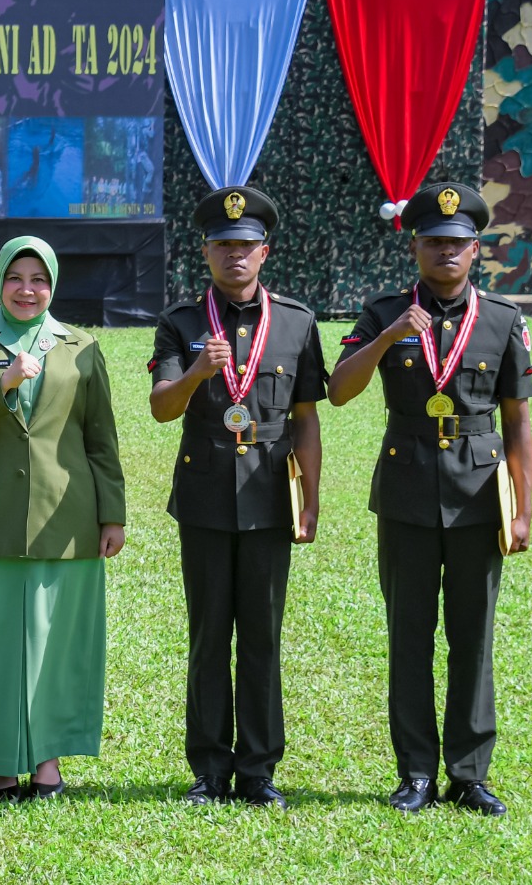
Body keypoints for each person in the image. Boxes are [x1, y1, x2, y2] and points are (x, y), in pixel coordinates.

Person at [327, 181, 532, 816]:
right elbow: (338, 390)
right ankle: (415, 771)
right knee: (409, 634)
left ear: (476, 251)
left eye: (458, 243)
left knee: (473, 636)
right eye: (434, 242)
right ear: (414, 246)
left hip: (479, 493)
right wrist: (389, 336)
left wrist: (523, 509)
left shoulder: (501, 320)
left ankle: (468, 774)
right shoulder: (384, 311)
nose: (446, 252)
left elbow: (518, 422)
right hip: (408, 490)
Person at [147, 187, 326, 809]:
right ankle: (208, 770)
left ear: (264, 252)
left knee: (262, 636)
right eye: (223, 245)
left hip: (272, 496)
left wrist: (311, 496)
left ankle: (257, 769)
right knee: (208, 634)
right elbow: (161, 409)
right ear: (207, 252)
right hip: (203, 499)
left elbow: (305, 417)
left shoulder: (298, 322)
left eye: (245, 246)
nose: (235, 256)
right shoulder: (182, 322)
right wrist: (196, 372)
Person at [0, 236, 126, 801]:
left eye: (39, 278)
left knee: (57, 647)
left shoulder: (81, 346)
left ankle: (47, 763)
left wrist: (112, 514)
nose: (28, 289)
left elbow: (101, 439)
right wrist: (4, 383)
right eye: (16, 278)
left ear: (54, 283)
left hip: (65, 521)